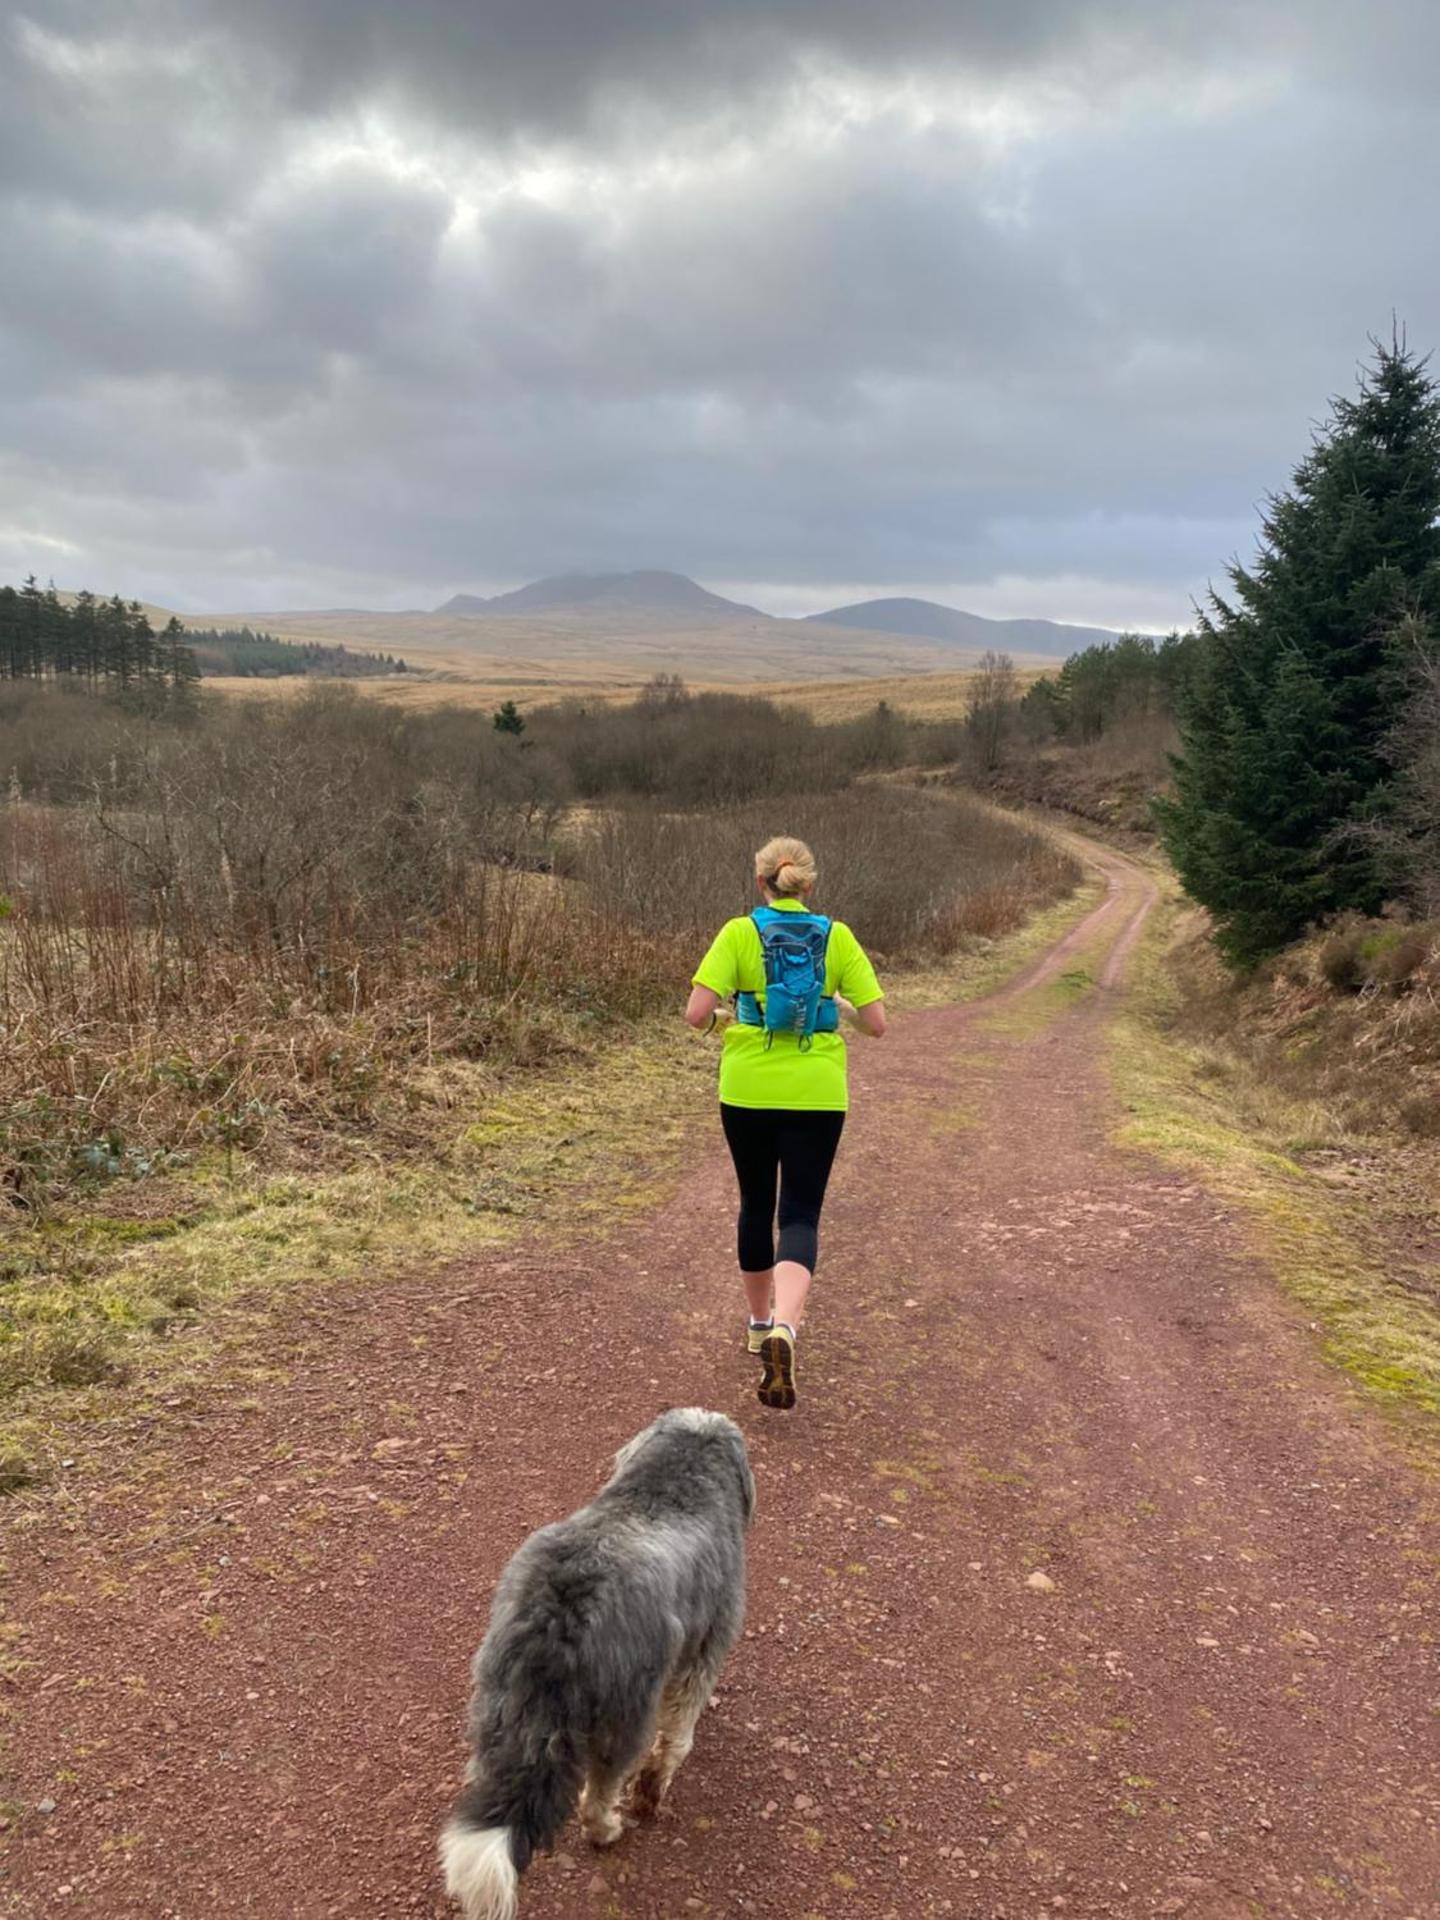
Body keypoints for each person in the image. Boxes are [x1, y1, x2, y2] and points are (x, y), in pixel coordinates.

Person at [685, 835, 886, 1409]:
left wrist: (727, 1027)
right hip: (818, 1093)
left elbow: (695, 1013)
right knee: (799, 1211)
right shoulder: (837, 936)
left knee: (754, 1203)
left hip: (746, 1088)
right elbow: (876, 1024)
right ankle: (786, 1329)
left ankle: (756, 1324)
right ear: (809, 885)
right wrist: (842, 1009)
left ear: (761, 883)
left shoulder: (738, 932)